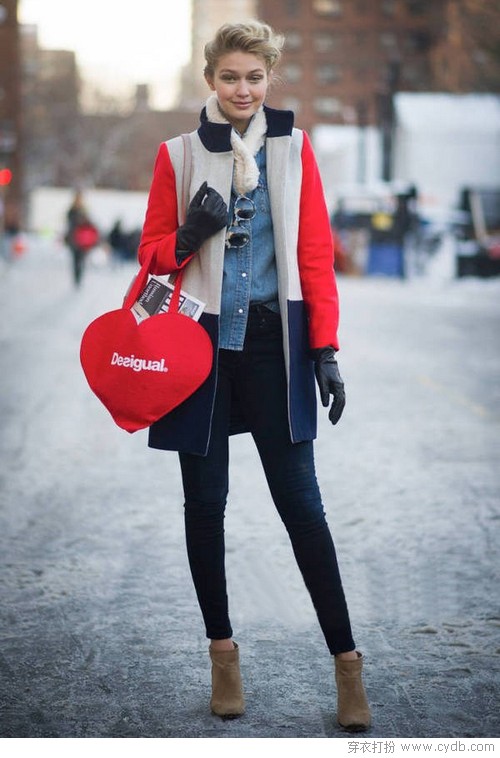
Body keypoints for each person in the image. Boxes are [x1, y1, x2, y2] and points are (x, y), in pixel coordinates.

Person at [138, 20, 371, 732]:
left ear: (270, 77)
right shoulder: (176, 155)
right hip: (197, 352)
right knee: (204, 508)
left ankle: (348, 665)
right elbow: (149, 259)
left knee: (304, 508)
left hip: (275, 348)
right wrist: (186, 237)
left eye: (255, 76)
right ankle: (223, 654)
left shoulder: (294, 152)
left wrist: (324, 351)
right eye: (231, 76)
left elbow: (316, 256)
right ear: (211, 79)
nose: (243, 89)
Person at [65, 191, 99, 286]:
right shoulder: (72, 210)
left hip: (83, 239)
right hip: (74, 239)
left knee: (81, 259)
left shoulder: (84, 210)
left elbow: (89, 222)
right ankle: (76, 278)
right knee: (75, 259)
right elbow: (70, 223)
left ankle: (79, 277)